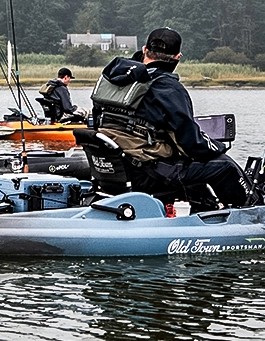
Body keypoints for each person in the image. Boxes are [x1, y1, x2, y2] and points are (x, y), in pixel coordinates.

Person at [90, 27, 251, 210]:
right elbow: (192, 143)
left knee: (196, 176)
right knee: (224, 166)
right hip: (146, 173)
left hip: (114, 170)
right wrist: (218, 147)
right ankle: (249, 210)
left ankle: (203, 214)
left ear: (144, 50)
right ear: (177, 57)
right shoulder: (168, 87)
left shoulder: (111, 79)